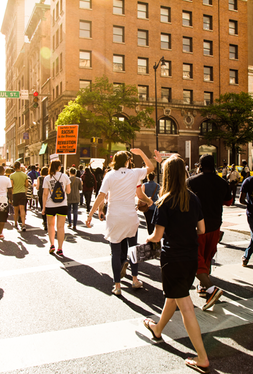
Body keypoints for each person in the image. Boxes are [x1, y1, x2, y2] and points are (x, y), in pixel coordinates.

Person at [143, 155, 210, 373]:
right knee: (173, 296)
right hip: (190, 258)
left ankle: (202, 357)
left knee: (185, 305)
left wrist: (148, 240)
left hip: (173, 258)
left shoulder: (164, 201)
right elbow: (202, 229)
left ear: (167, 175)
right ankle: (158, 329)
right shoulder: (193, 198)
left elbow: (157, 235)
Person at [86, 149, 156, 295]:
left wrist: (90, 214)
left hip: (115, 216)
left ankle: (117, 285)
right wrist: (141, 154)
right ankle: (135, 279)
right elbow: (151, 167)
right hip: (130, 216)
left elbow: (101, 195)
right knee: (133, 248)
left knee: (115, 252)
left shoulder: (110, 175)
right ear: (127, 161)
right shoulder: (134, 173)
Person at [187, 154, 233, 311]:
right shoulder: (222, 182)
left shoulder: (191, 182)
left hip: (197, 227)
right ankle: (203, 286)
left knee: (195, 258)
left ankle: (210, 287)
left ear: (200, 165)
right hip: (215, 226)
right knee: (208, 256)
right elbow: (228, 202)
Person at [42, 159, 71, 256]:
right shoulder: (65, 176)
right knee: (61, 227)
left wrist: (43, 207)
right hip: (62, 204)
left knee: (51, 225)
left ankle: (52, 245)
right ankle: (60, 248)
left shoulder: (47, 178)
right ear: (59, 167)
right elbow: (68, 191)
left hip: (50, 205)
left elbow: (45, 194)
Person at [10, 162, 29, 231]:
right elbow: (27, 185)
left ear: (14, 167)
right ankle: (23, 224)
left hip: (15, 193)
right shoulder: (24, 175)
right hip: (22, 193)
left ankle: (15, 223)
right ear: (20, 166)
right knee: (22, 209)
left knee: (15, 209)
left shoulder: (12, 175)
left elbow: (11, 185)